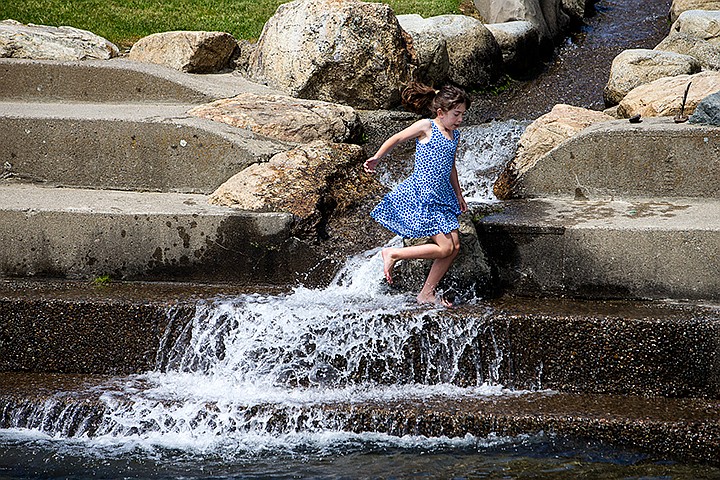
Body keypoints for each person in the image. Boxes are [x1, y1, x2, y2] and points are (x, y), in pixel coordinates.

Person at [364, 82, 471, 307]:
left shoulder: (455, 135)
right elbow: (397, 138)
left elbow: (451, 167)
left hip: (442, 196)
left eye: (462, 114)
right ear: (441, 112)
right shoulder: (427, 126)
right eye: (456, 114)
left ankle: (426, 294)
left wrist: (459, 195)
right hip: (424, 196)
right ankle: (394, 254)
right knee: (445, 248)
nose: (460, 119)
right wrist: (377, 157)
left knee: (454, 248)